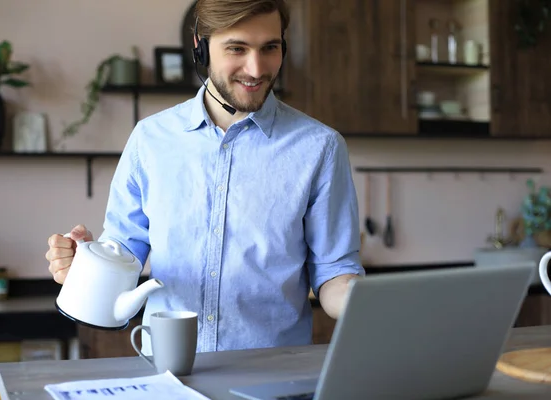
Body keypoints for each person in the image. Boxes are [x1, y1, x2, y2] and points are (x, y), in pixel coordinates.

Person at [46, 0, 364, 354]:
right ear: (200, 47)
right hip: (168, 375)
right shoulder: (150, 140)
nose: (256, 68)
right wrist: (82, 267)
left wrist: (359, 297)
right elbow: (124, 251)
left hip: (271, 377)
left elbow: (334, 271)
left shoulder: (320, 147)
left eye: (270, 48)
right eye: (237, 48)